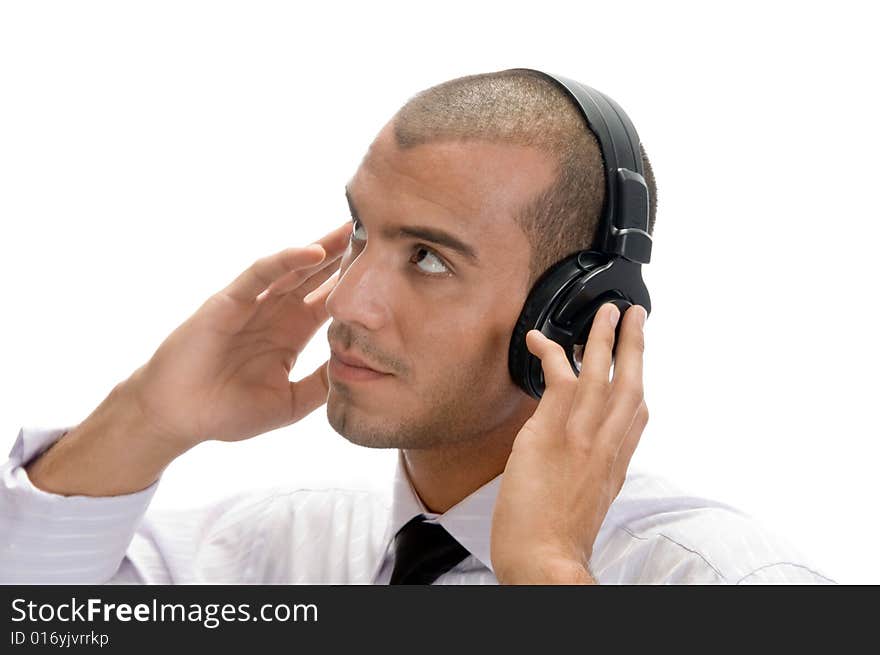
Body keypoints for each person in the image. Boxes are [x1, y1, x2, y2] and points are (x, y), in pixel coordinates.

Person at [0, 69, 834, 585]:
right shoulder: (262, 551)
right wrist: (147, 416)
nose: (345, 300)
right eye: (361, 232)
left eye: (430, 257)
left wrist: (544, 573)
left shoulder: (733, 580)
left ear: (575, 311)